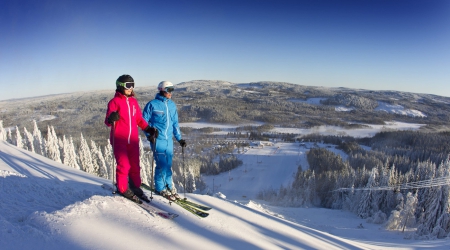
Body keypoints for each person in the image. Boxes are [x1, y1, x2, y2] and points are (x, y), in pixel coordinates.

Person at [105, 74, 157, 203]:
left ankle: (135, 187)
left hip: (133, 140)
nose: (131, 88)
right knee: (124, 165)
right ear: (120, 86)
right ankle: (123, 188)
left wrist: (148, 129)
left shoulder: (133, 102)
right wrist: (111, 118)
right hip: (119, 140)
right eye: (128, 85)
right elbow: (107, 121)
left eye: (132, 85)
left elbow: (139, 119)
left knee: (135, 166)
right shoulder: (114, 102)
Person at [143, 81, 186, 201]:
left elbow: (175, 123)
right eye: (169, 90)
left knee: (168, 165)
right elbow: (143, 121)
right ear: (162, 90)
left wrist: (179, 139)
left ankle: (169, 186)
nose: (171, 93)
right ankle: (160, 188)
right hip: (158, 139)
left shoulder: (172, 105)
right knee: (161, 165)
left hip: (169, 140)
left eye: (172, 90)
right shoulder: (152, 104)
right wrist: (149, 134)